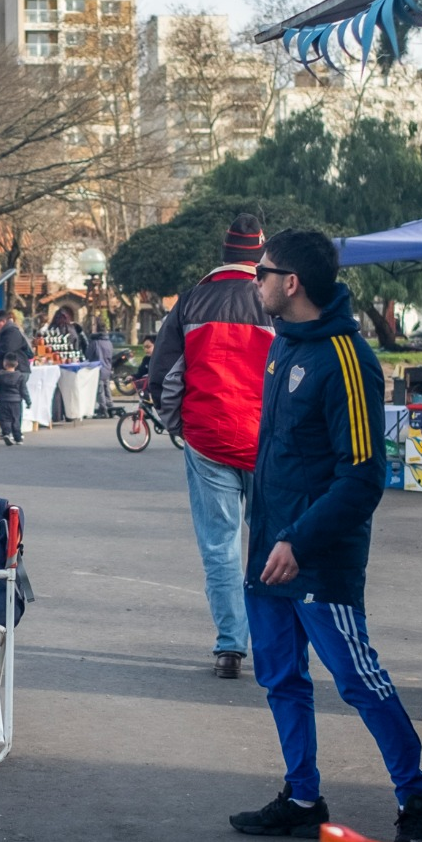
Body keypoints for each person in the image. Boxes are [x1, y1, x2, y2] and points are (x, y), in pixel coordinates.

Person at [230, 228, 422, 842]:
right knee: (281, 679)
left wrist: (298, 541)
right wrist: (269, 537)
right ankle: (302, 798)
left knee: (358, 679)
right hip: (269, 554)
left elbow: (363, 478)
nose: (256, 282)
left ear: (291, 283)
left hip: (317, 561)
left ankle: (416, 800)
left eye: (262, 273)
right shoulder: (283, 345)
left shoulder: (347, 360)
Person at [148, 214, 274, 678]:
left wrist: (178, 426)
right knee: (271, 543)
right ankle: (275, 644)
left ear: (224, 253)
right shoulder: (275, 299)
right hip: (267, 441)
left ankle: (230, 647)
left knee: (220, 546)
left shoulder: (192, 300)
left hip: (208, 438)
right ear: (260, 255)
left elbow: (163, 375)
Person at [0, 308, 32, 444]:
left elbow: (6, 349)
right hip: (12, 371)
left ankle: (14, 432)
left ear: (3, 321)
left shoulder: (11, 331)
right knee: (12, 405)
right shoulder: (6, 331)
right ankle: (11, 432)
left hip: (18, 369)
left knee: (14, 406)